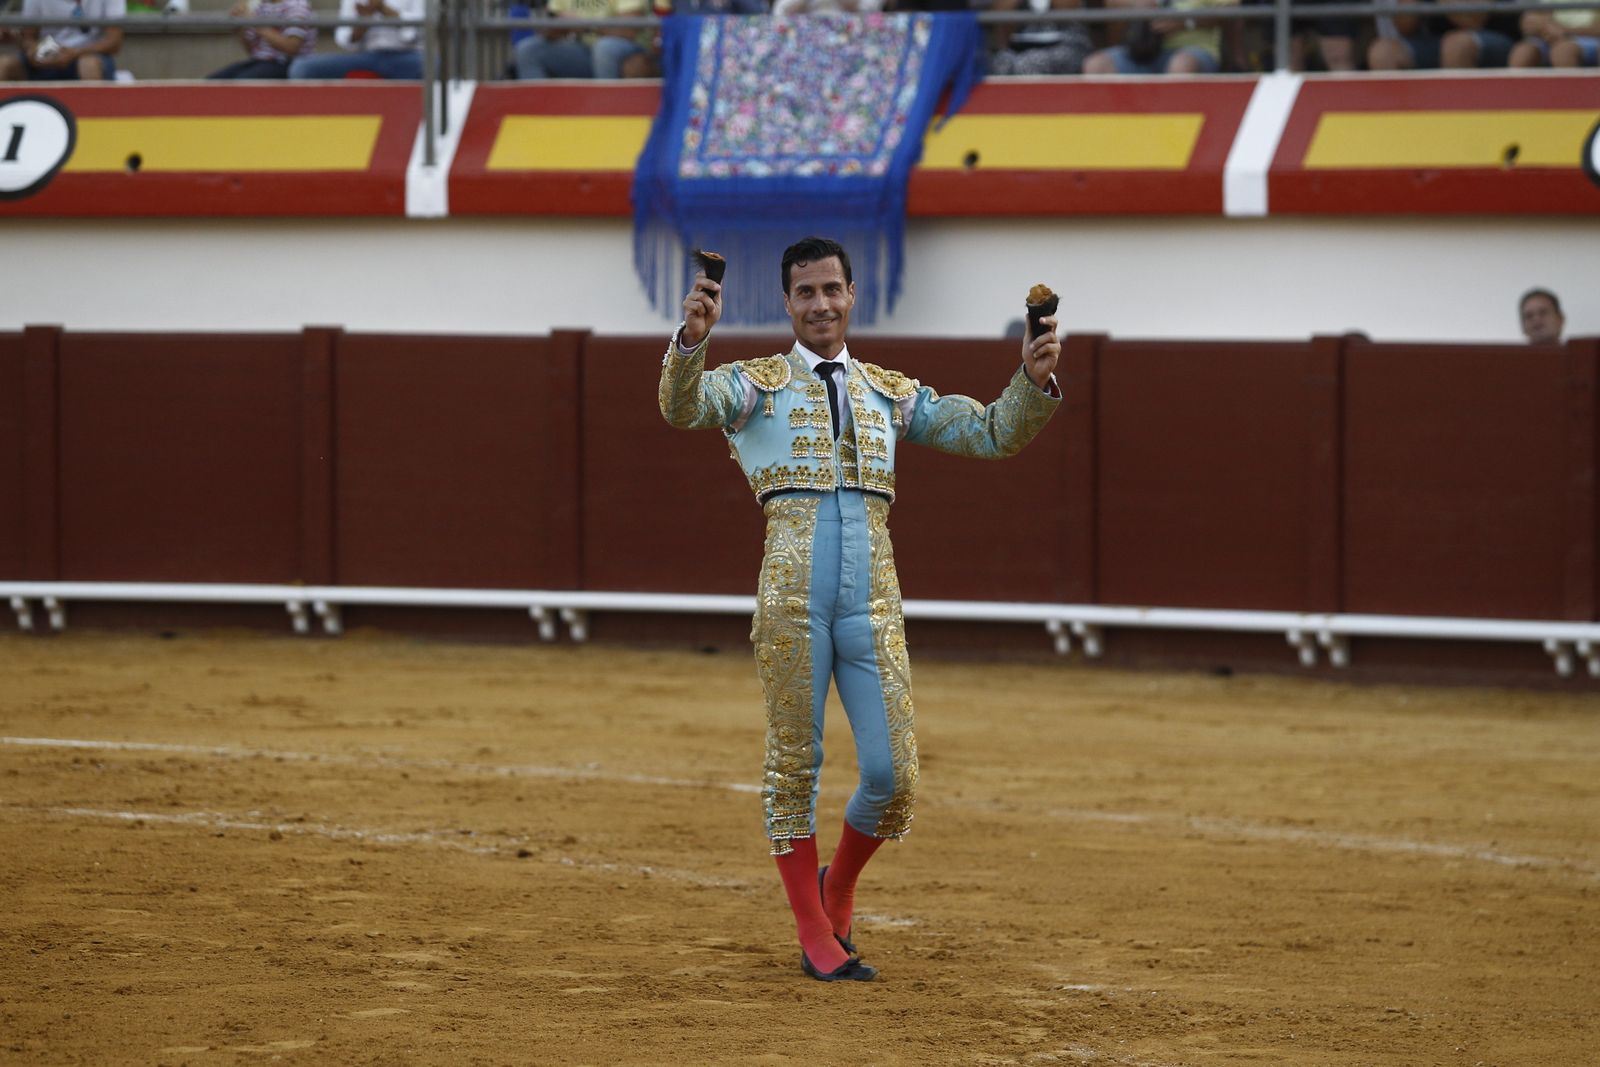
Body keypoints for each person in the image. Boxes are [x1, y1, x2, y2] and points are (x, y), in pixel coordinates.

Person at [658, 237, 1062, 982]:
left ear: (851, 295)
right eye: (806, 292)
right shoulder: (755, 386)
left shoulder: (888, 392)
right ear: (787, 303)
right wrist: (692, 340)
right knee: (794, 763)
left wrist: (1030, 383)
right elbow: (682, 406)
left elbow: (989, 433)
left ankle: (837, 884)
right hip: (792, 597)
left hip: (874, 598)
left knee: (893, 775)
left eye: (831, 290)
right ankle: (815, 932)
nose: (821, 304)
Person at [1082, 0, 1236, 75]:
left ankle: (1175, 125)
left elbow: (1230, 12)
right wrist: (1135, 5)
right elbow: (1107, 4)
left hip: (1195, 51)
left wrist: (1184, 22)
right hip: (1141, 51)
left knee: (1181, 64)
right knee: (1096, 65)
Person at [513, 0, 652, 80]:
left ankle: (607, 111)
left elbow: (629, 30)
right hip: (584, 52)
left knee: (604, 48)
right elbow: (548, 29)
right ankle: (538, 112)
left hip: (628, 52)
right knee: (528, 49)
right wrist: (558, 26)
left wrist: (587, 25)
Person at [288, 0, 421, 79]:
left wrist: (382, 8)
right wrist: (364, 20)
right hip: (366, 56)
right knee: (302, 68)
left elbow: (419, 33)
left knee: (430, 67)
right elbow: (346, 40)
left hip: (408, 56)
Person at [0, 0, 124, 82]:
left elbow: (114, 42)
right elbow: (28, 37)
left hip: (88, 57)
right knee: (4, 65)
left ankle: (94, 113)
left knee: (88, 64)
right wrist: (34, 52)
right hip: (43, 62)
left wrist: (75, 53)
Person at [208, 0, 316, 79]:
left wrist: (256, 23)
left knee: (241, 84)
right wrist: (239, 26)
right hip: (260, 62)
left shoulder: (297, 5)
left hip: (286, 64)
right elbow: (252, 50)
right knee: (211, 82)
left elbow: (292, 47)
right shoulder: (262, 6)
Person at [986, 0, 1094, 77]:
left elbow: (1068, 8)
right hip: (1020, 46)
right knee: (1001, 63)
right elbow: (999, 16)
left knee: (1028, 64)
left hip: (1068, 43)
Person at [1509, 4, 1600, 67]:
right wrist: (1547, 27)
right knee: (1522, 53)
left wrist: (1565, 31)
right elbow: (1527, 21)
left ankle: (1570, 90)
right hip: (1549, 37)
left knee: (1563, 51)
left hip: (1590, 38)